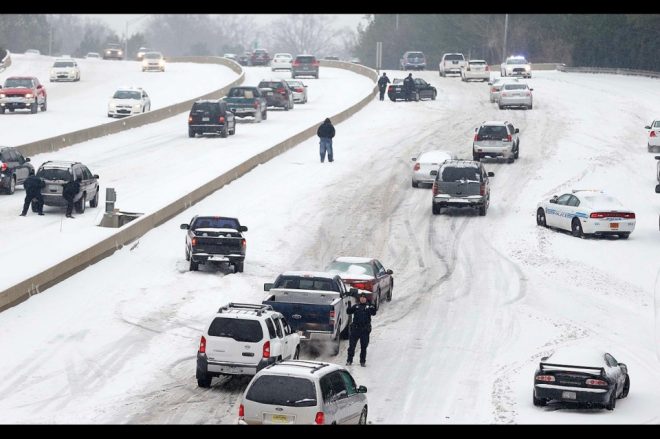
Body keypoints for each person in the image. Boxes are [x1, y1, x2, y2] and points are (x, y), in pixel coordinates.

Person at [346, 292, 377, 367]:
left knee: (364, 347)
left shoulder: (368, 307)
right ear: (359, 299)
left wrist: (373, 305)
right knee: (352, 346)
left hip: (364, 330)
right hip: (355, 329)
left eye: (364, 297)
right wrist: (349, 305)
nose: (362, 299)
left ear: (366, 299)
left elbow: (374, 313)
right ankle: (349, 360)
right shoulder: (356, 306)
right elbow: (349, 311)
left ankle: (362, 361)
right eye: (361, 297)